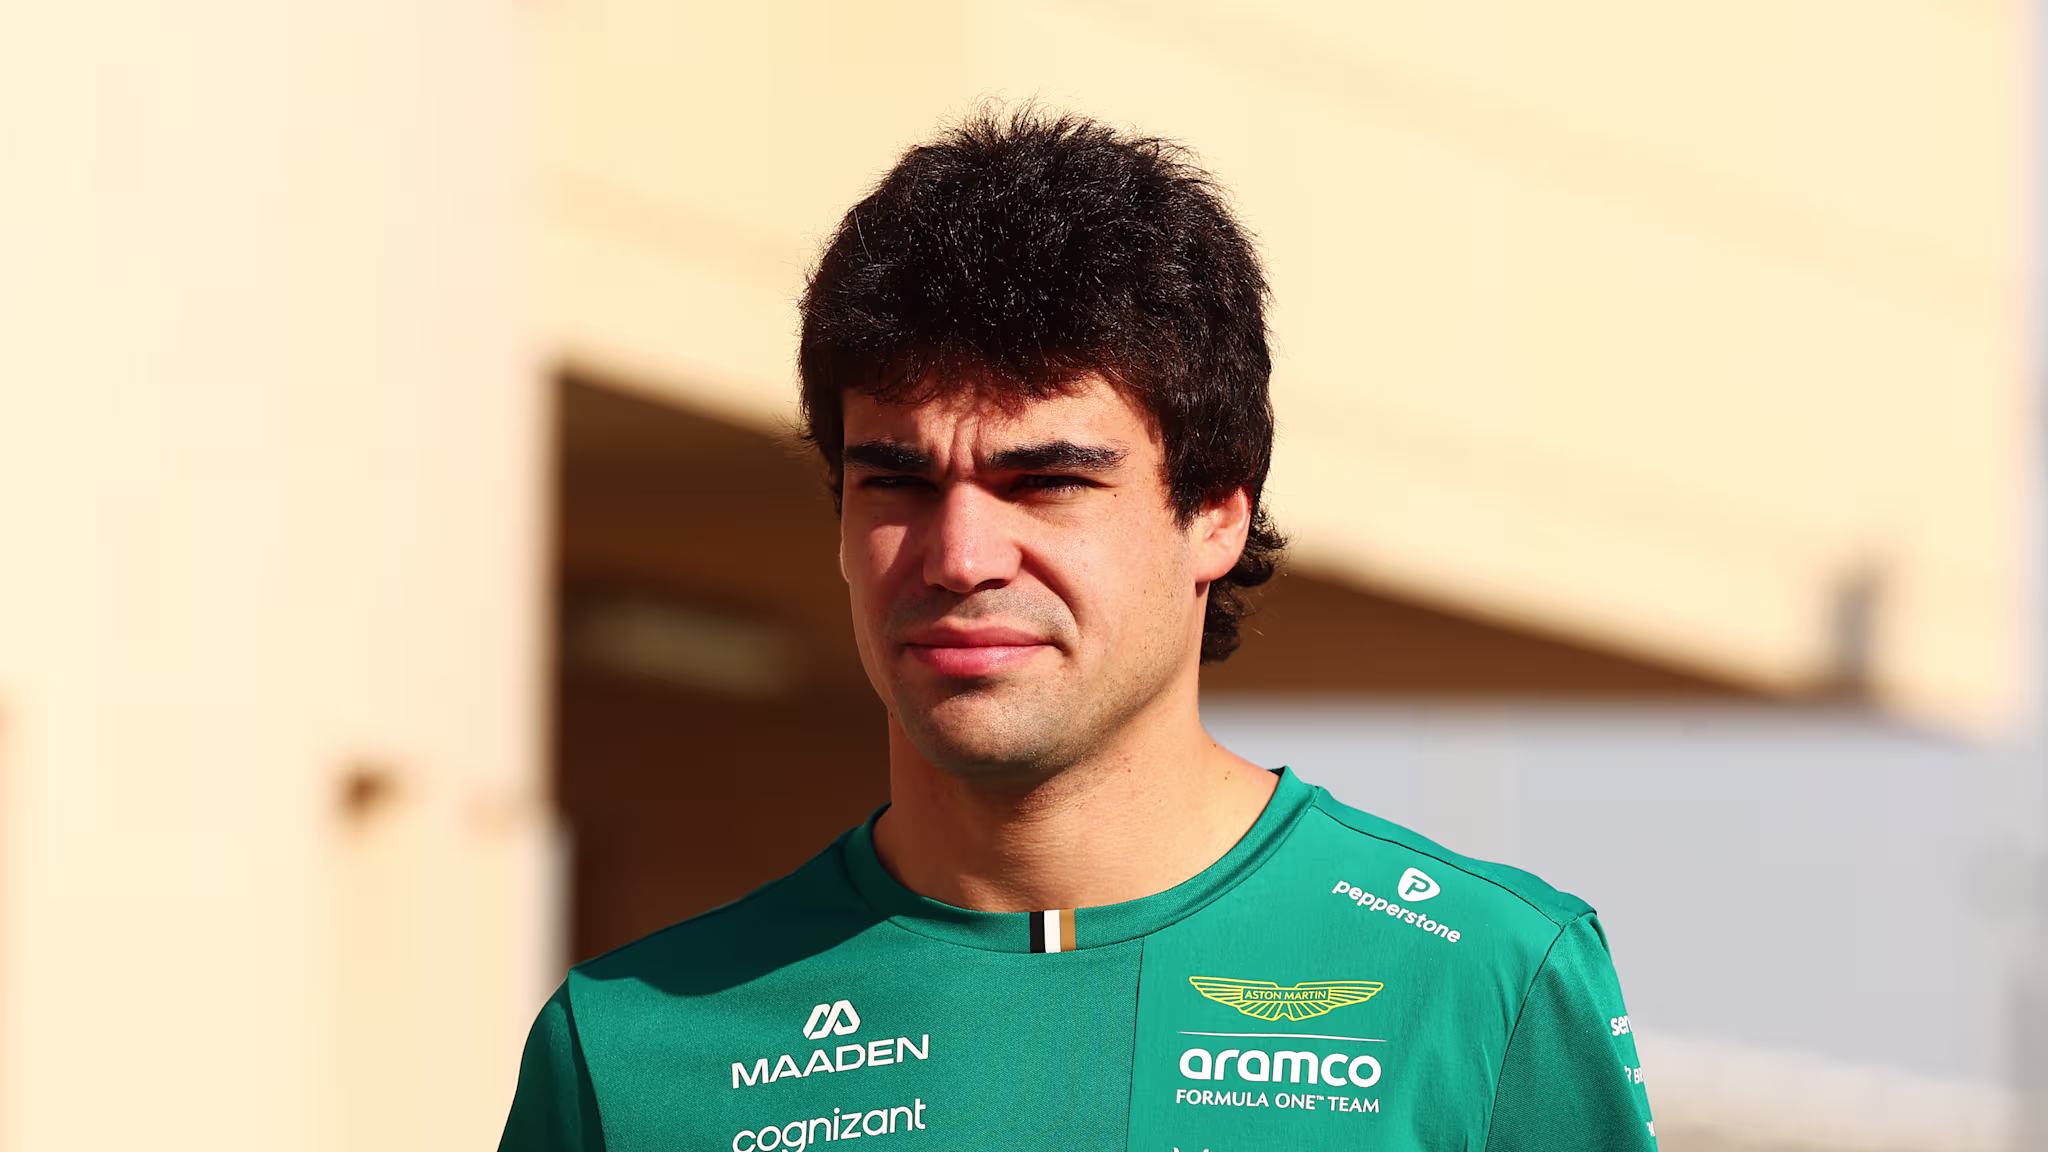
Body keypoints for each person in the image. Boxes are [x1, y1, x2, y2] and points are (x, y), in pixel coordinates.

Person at [499, 109, 1657, 1151]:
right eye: (896, 481)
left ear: (1215, 513)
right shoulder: (627, 1049)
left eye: (1045, 481)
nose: (959, 555)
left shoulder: (1484, 982)